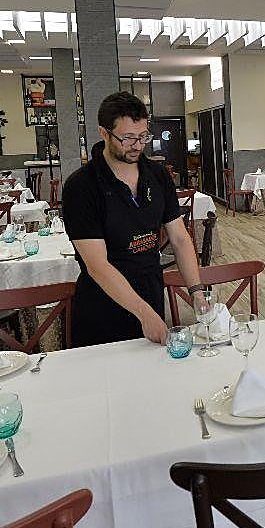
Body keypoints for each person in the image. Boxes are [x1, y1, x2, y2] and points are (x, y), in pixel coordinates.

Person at [62, 92, 202, 346]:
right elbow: (97, 266)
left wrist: (196, 291)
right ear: (104, 133)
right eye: (127, 138)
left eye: (143, 137)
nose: (137, 145)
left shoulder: (158, 175)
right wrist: (142, 312)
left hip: (150, 291)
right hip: (103, 305)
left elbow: (180, 239)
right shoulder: (81, 186)